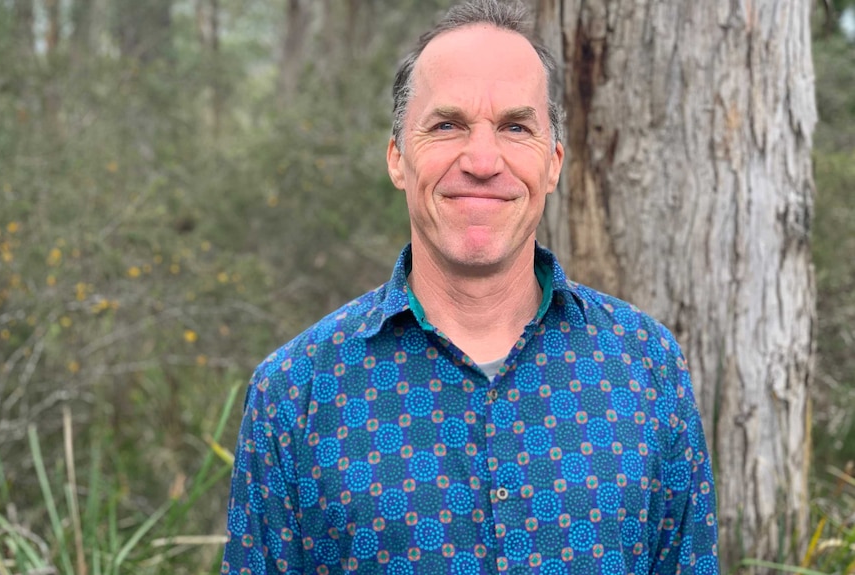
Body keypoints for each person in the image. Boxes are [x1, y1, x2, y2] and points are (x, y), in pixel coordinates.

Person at [221, 0, 719, 573]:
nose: (483, 160)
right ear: (398, 160)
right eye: (447, 125)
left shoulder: (647, 367)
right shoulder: (294, 394)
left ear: (553, 163)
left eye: (515, 127)